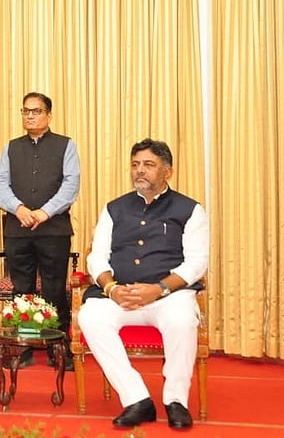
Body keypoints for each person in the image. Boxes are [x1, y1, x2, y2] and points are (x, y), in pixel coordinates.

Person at [79, 138, 209, 429]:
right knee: (90, 316)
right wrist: (111, 288)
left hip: (168, 296)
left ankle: (176, 400)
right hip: (121, 294)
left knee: (182, 320)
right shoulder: (114, 208)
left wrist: (159, 289)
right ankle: (136, 398)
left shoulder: (190, 209)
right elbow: (97, 256)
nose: (140, 171)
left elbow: (197, 262)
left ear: (168, 172)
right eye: (136, 165)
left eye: (149, 165)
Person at [0, 92, 80, 370]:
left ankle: (59, 349)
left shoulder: (66, 145)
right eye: (26, 111)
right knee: (22, 290)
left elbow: (70, 185)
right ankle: (24, 347)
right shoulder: (11, 147)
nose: (30, 116)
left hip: (53, 229)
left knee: (54, 289)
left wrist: (44, 212)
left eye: (37, 111)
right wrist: (18, 208)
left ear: (48, 115)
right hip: (18, 229)